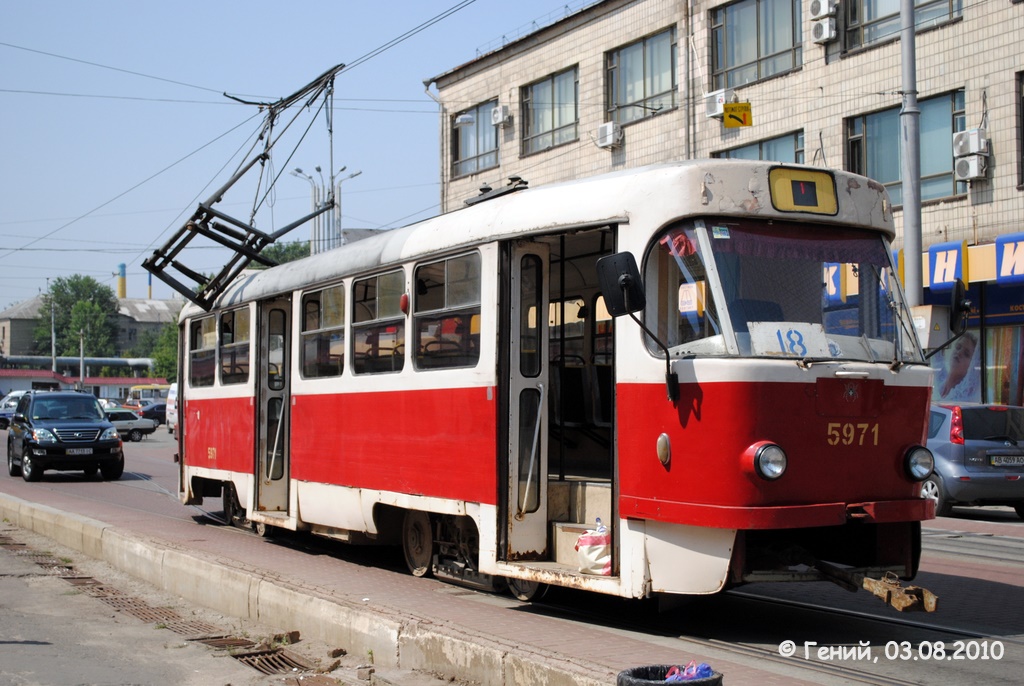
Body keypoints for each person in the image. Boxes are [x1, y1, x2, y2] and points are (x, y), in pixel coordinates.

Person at [938, 331, 979, 400]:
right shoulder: (939, 378)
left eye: (966, 354)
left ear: (972, 364)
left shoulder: (966, 391)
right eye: (958, 347)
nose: (959, 352)